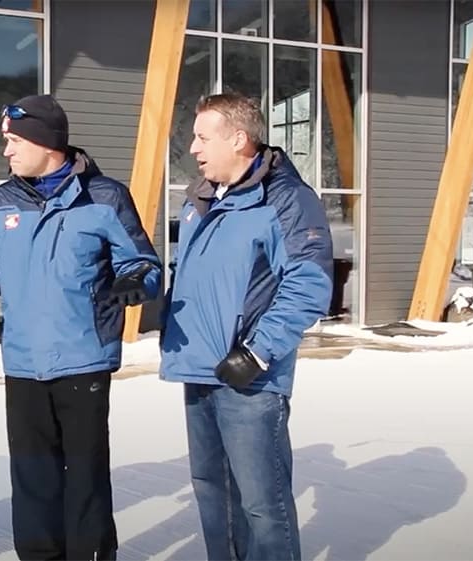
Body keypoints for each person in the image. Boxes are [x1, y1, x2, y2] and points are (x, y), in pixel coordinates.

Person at [0, 94, 163, 561]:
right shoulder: (2, 202)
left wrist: (135, 281)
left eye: (14, 141)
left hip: (83, 361)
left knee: (84, 482)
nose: (6, 151)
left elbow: (143, 263)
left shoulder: (105, 198)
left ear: (46, 142)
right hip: (23, 364)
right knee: (32, 483)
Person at [158, 92, 334, 561]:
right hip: (199, 370)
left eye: (202, 137)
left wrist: (257, 352)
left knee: (262, 506)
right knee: (212, 494)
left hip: (251, 380)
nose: (193, 148)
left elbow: (309, 283)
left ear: (238, 139)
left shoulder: (286, 199)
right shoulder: (198, 201)